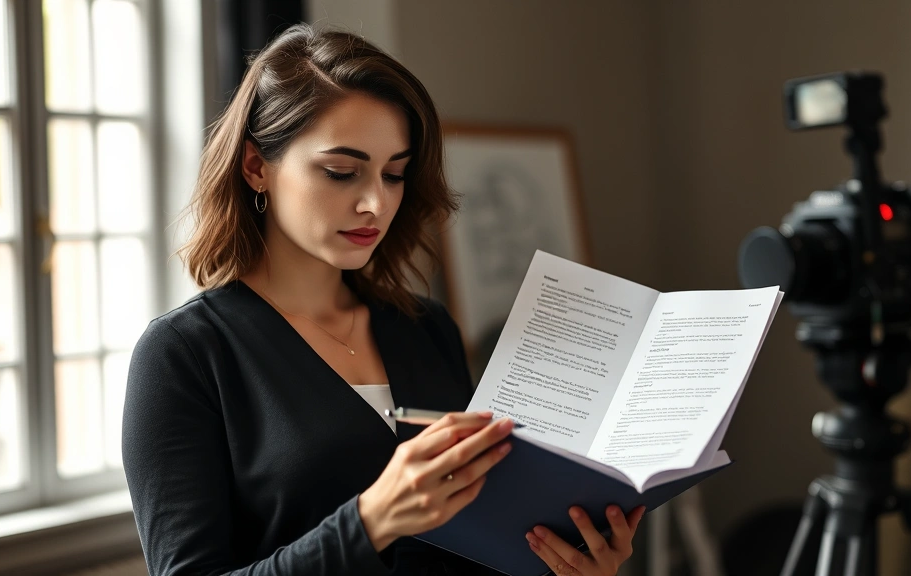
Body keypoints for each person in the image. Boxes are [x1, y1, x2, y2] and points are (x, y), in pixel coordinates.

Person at [121, 23, 644, 576]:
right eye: (342, 172)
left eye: (394, 174)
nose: (375, 202)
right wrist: (371, 521)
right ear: (256, 166)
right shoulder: (183, 357)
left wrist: (557, 564)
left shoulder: (426, 329)